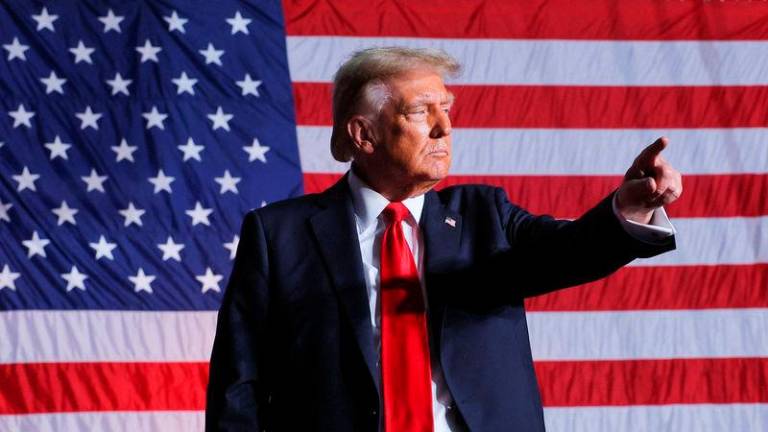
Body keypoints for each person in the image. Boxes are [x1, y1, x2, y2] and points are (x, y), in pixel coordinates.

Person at [206, 47, 682, 431]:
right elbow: (238, 382)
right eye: (421, 111)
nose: (444, 127)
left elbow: (570, 251)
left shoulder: (484, 214)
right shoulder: (279, 234)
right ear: (363, 134)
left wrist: (631, 207)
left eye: (447, 108)